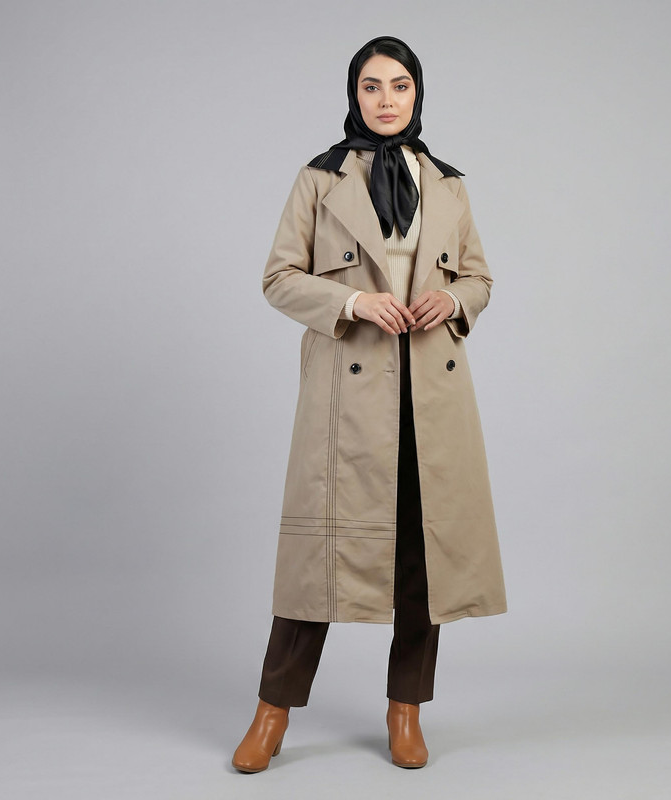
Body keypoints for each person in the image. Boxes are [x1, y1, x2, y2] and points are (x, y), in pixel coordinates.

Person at [232, 35, 507, 773]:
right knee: (318, 560)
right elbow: (278, 278)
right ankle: (271, 713)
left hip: (430, 393)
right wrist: (353, 301)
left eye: (400, 86)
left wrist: (454, 298)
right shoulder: (319, 178)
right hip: (347, 398)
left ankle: (405, 710)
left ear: (418, 94)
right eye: (371, 87)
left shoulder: (447, 184)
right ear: (354, 95)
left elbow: (480, 277)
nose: (387, 100)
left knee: (425, 558)